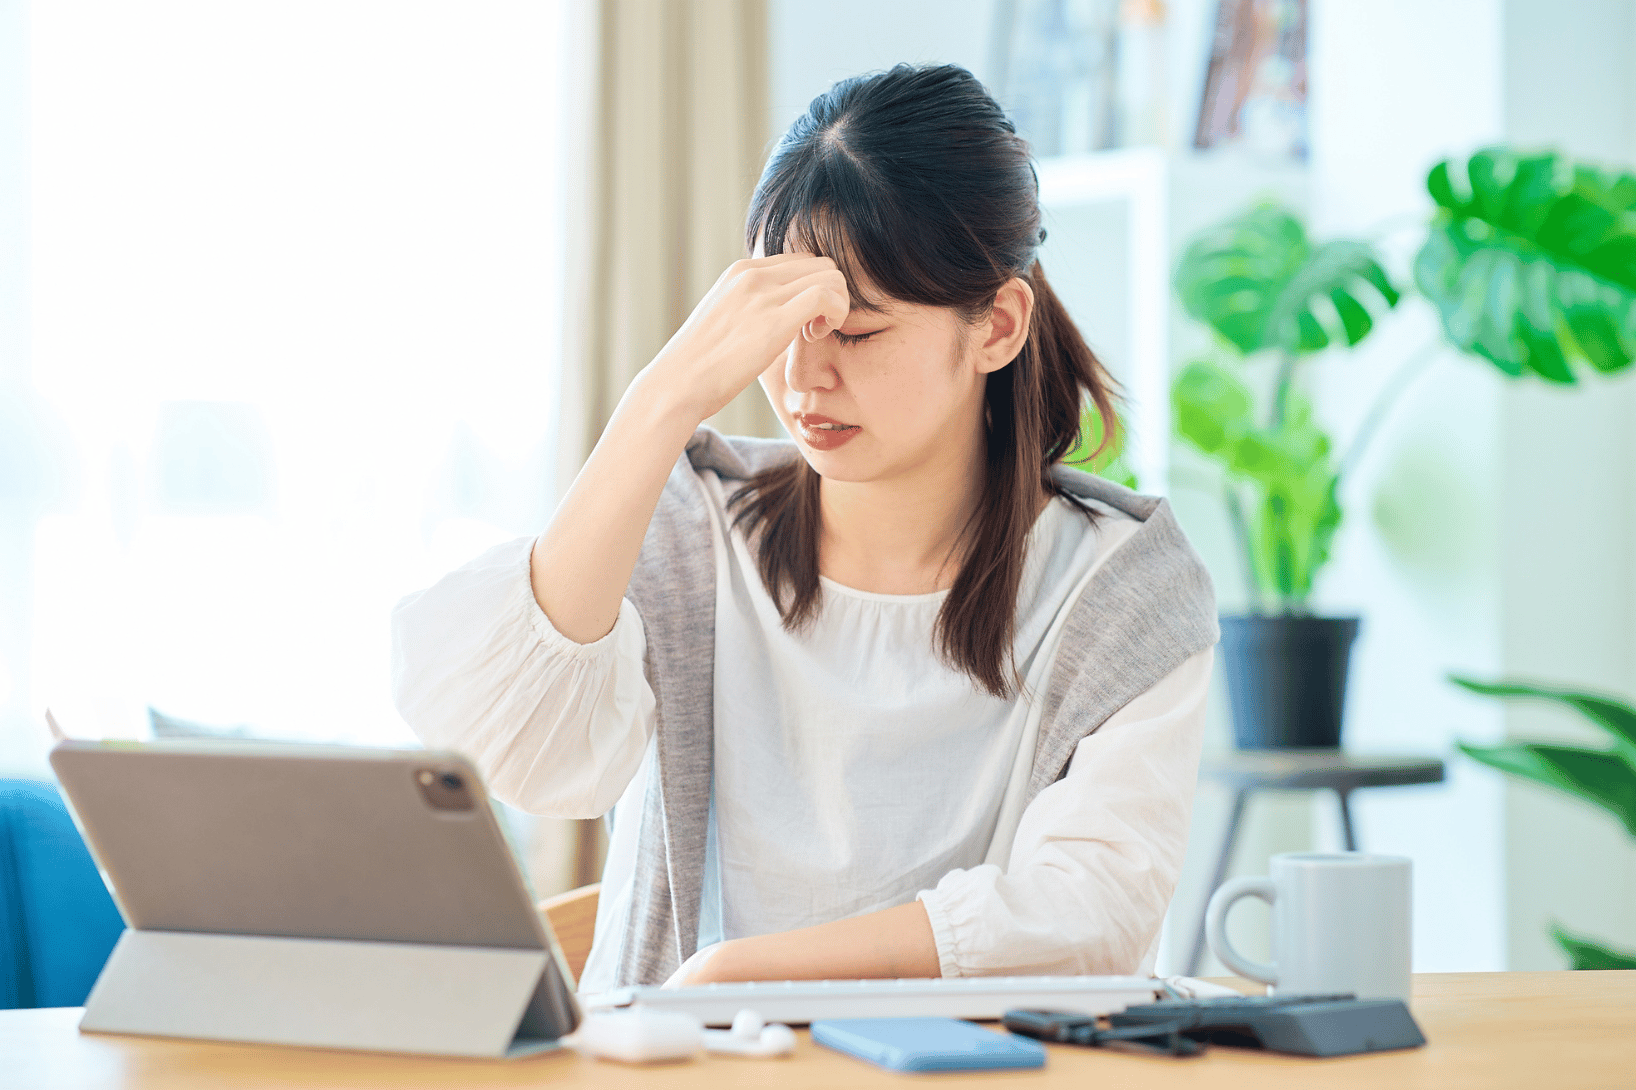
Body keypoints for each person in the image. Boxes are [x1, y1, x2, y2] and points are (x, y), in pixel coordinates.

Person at [392, 64, 1217, 993]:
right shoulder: (692, 527)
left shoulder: (1120, 585)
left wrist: (741, 973)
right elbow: (517, 754)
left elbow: (1087, 916)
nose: (801, 381)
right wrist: (662, 400)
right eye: (783, 327)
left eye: (855, 333)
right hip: (672, 1059)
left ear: (997, 326)